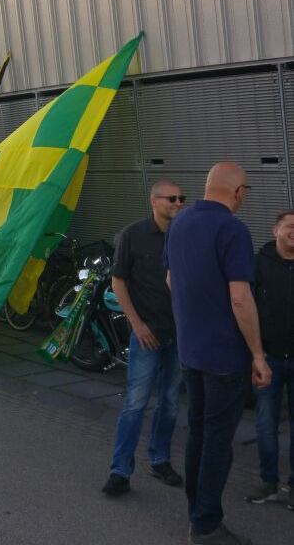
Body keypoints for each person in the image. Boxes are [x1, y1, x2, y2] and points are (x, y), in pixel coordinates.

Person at [165, 162, 271, 545]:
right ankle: (206, 525)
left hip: (191, 350)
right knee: (217, 442)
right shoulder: (232, 229)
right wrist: (258, 355)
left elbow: (171, 279)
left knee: (198, 433)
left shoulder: (181, 221)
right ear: (238, 192)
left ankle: (197, 513)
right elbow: (240, 297)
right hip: (224, 357)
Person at [101, 180, 185, 496]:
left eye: (182, 198)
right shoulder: (133, 235)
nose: (178, 203)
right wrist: (137, 325)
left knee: (171, 403)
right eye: (172, 198)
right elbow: (118, 281)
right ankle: (120, 470)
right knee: (135, 404)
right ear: (154, 201)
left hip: (178, 336)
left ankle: (160, 460)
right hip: (146, 334)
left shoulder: (184, 235)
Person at [245, 210, 294, 511]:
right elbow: (245, 306)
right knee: (265, 424)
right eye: (290, 226)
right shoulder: (257, 263)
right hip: (268, 358)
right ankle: (269, 482)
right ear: (275, 230)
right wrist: (254, 355)